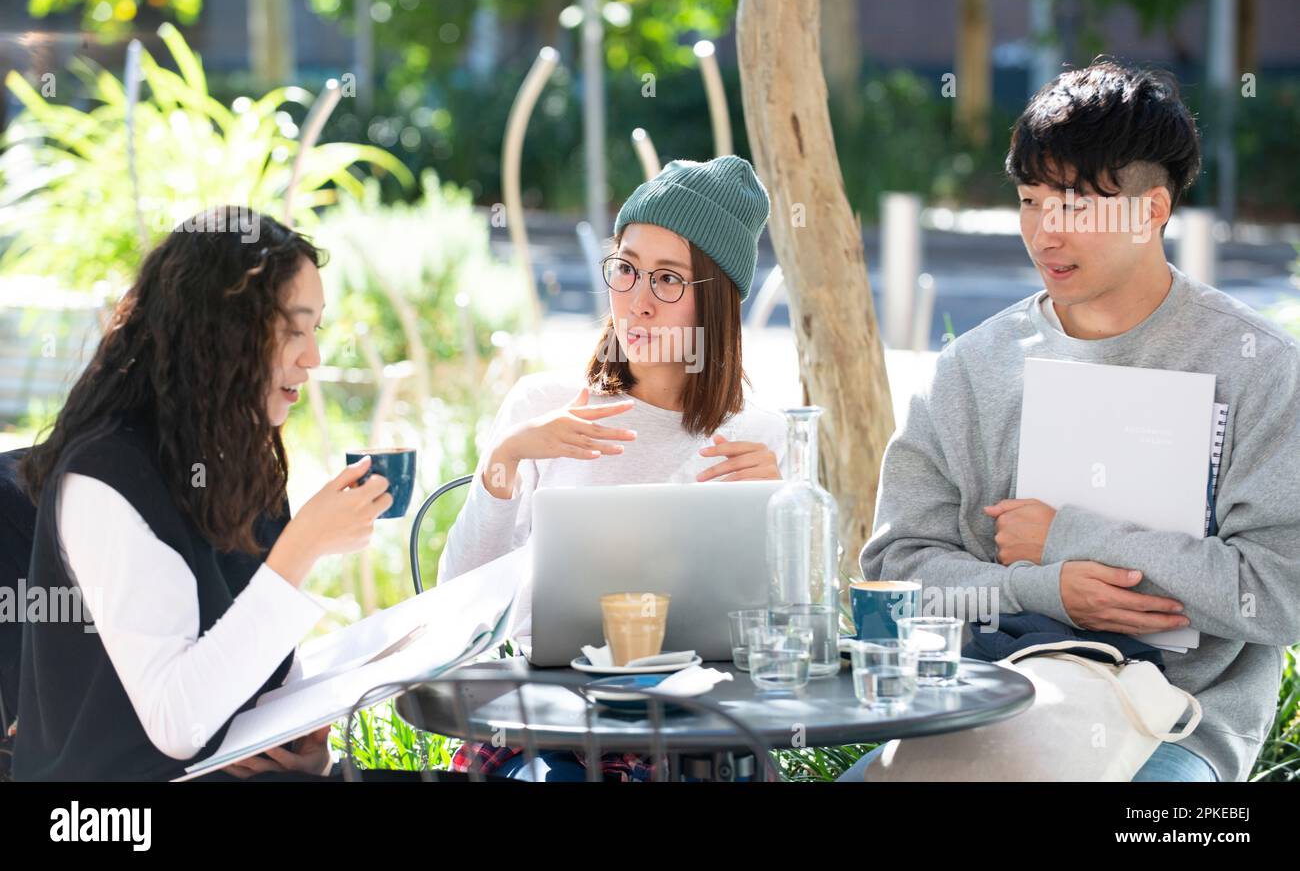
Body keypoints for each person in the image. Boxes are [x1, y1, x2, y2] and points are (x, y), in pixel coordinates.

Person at [839, 60, 1300, 783]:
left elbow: (1282, 591)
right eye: (1030, 201)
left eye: (1077, 206)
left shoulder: (1261, 368)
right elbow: (896, 574)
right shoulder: (971, 368)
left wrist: (1068, 537)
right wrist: (1043, 587)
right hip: (983, 701)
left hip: (1174, 722)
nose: (1046, 233)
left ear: (1152, 210)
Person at [13, 207, 393, 781]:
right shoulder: (105, 477)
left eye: (315, 330)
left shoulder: (240, 464)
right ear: (222, 332)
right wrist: (301, 550)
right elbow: (178, 721)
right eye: (294, 329)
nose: (312, 357)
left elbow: (248, 672)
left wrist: (303, 750)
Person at [439, 155, 788, 781]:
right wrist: (503, 462)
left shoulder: (757, 438)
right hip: (546, 725)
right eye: (625, 269)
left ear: (719, 301)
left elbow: (796, 640)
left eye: (668, 280)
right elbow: (456, 606)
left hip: (697, 730)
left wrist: (781, 517)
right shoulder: (543, 407)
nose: (638, 302)